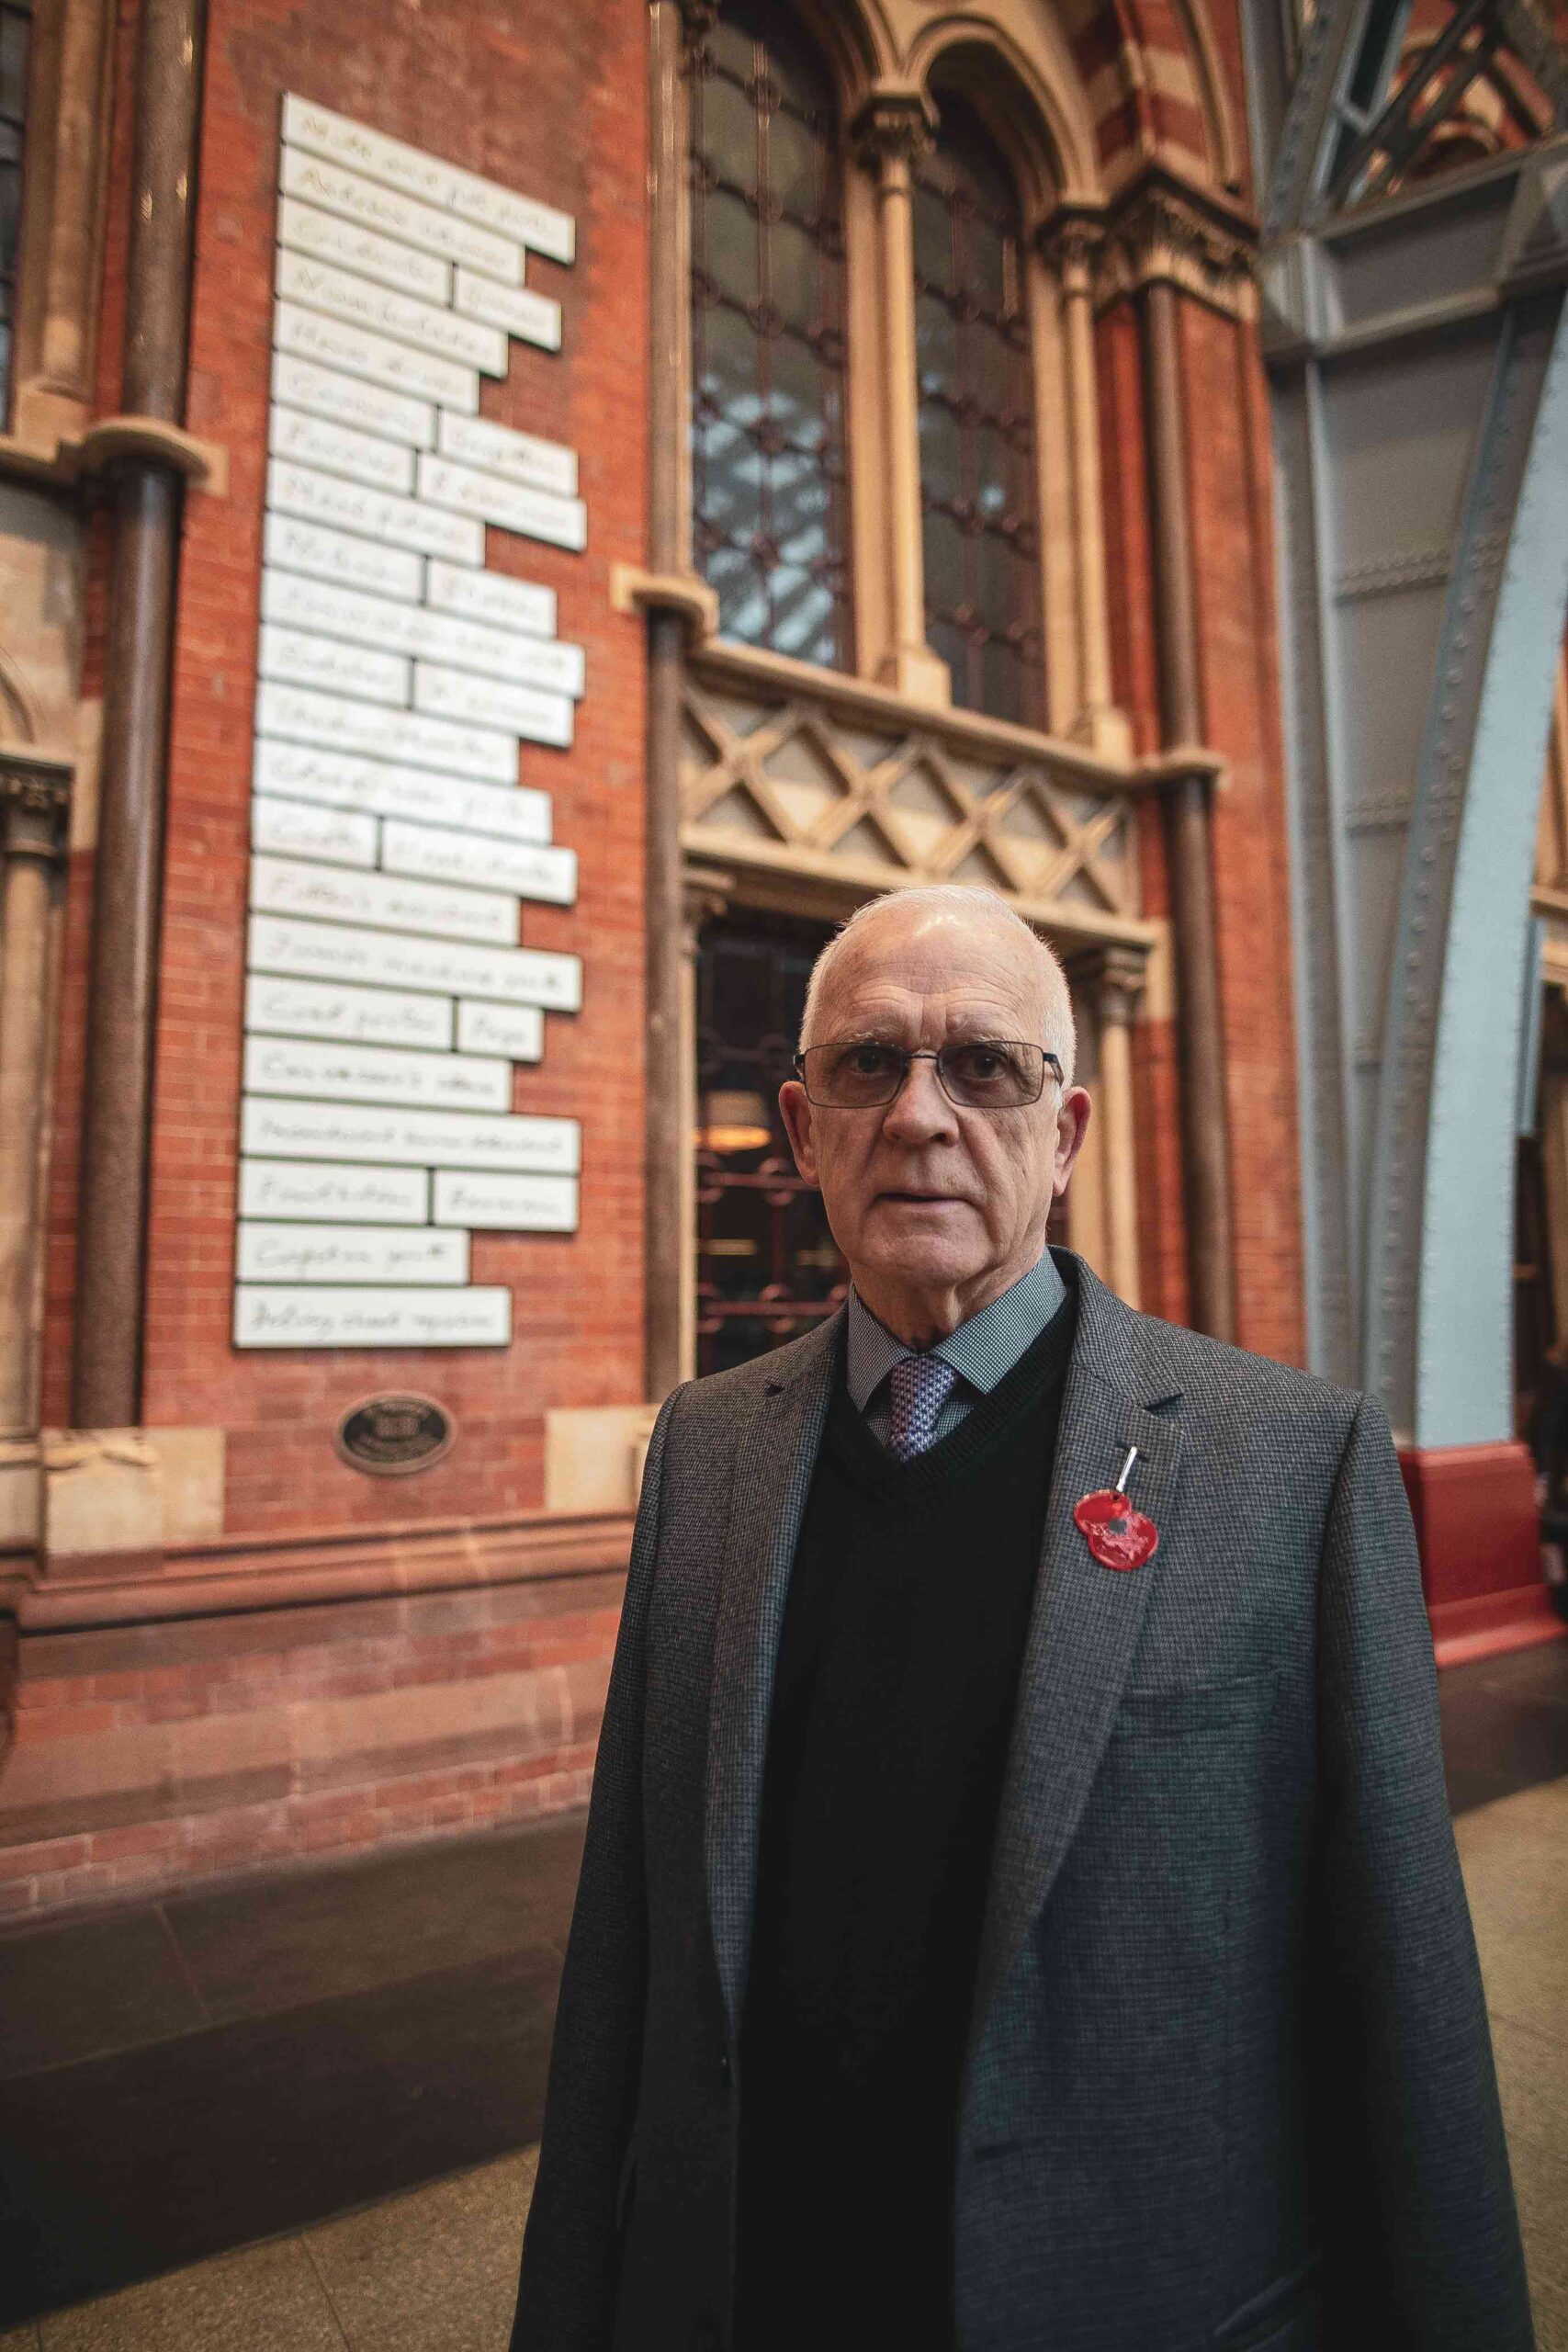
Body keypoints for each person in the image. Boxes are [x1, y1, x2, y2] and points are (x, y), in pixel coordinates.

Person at [511, 884, 1534, 2352]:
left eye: (983, 1067)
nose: (922, 1115)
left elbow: (1409, 2010)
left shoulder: (1287, 1466)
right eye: (872, 1065)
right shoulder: (709, 1453)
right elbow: (624, 1958)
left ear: (1064, 1136)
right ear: (806, 1132)